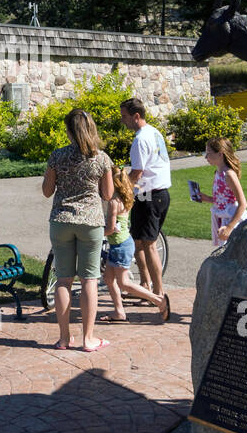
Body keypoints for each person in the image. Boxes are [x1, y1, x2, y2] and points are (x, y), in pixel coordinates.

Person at [41, 108, 113, 352]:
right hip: (91, 223)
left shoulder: (57, 156)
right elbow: (108, 194)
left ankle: (63, 338)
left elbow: (47, 191)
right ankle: (88, 339)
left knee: (63, 279)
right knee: (89, 280)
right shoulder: (102, 159)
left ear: (69, 130)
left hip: (61, 220)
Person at [101, 165, 170, 323]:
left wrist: (95, 233)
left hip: (120, 247)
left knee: (123, 283)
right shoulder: (123, 197)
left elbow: (111, 229)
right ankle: (119, 311)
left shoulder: (114, 202)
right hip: (122, 244)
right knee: (108, 279)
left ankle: (159, 300)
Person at [121, 98, 171, 300]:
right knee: (138, 242)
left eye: (125, 116)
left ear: (136, 116)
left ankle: (158, 293)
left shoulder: (140, 139)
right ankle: (145, 284)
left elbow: (137, 173)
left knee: (149, 244)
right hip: (156, 194)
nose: (123, 121)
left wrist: (121, 191)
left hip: (149, 195)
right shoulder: (154, 132)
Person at [192, 136, 247, 250]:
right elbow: (224, 199)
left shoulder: (229, 175)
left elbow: (243, 204)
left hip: (231, 219)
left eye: (208, 153)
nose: (206, 157)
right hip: (221, 218)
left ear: (220, 154)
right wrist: (206, 198)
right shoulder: (217, 173)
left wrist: (229, 227)